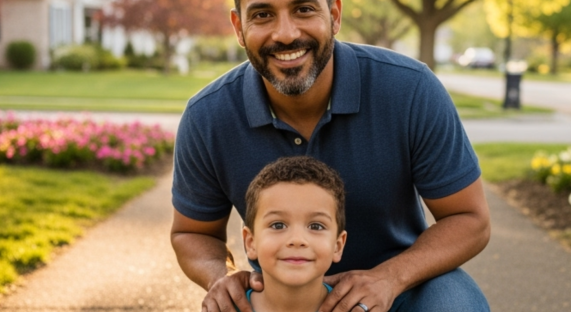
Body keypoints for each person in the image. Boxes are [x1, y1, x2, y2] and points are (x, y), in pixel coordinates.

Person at [170, 0, 492, 311]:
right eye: (263, 14)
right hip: (279, 294)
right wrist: (222, 277)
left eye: (304, 9)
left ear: (335, 15)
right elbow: (192, 233)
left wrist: (390, 278)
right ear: (239, 28)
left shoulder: (411, 90)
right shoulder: (207, 117)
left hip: (405, 285)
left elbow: (469, 219)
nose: (285, 33)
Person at [239, 156, 347, 312]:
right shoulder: (223, 308)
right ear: (250, 242)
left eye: (316, 226)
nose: (297, 240)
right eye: (278, 225)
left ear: (338, 246)